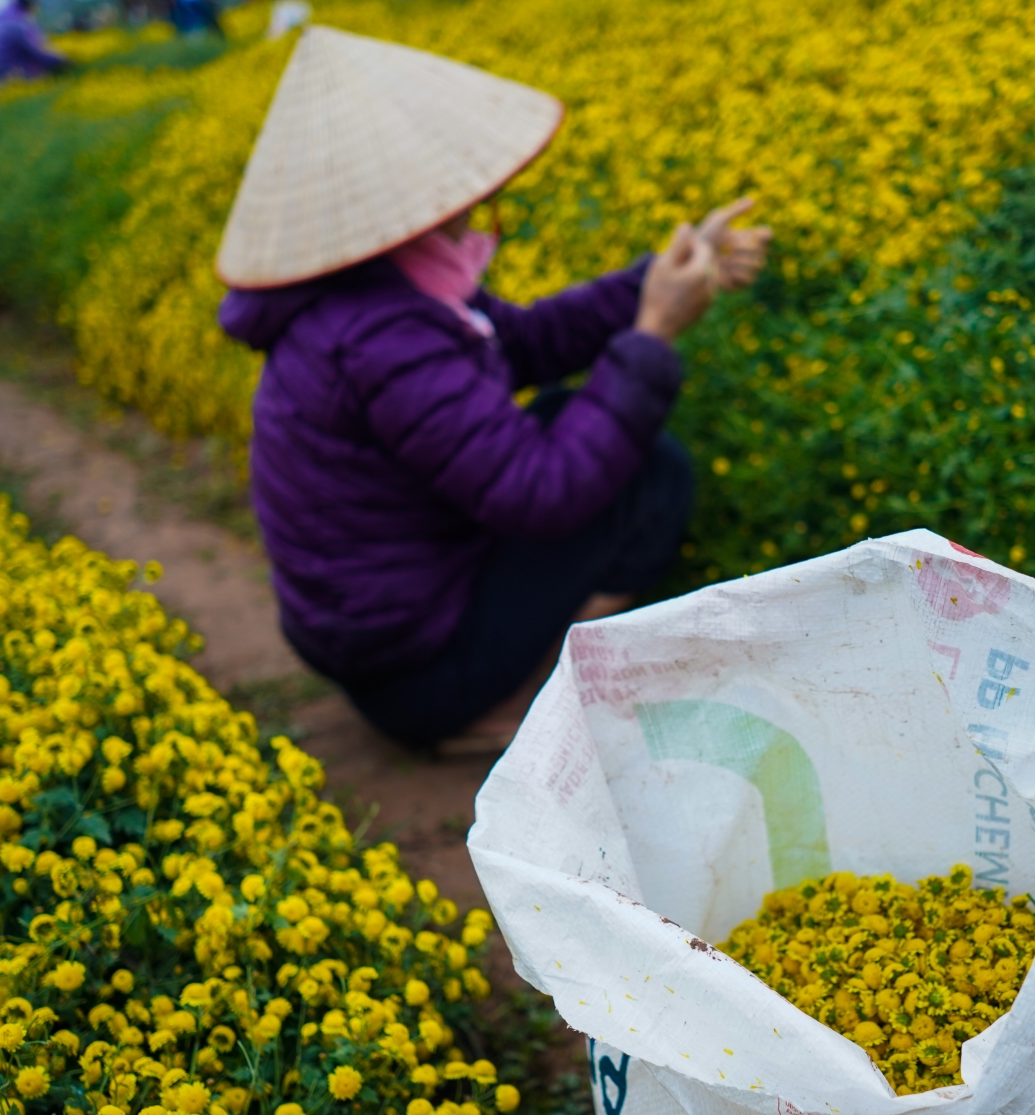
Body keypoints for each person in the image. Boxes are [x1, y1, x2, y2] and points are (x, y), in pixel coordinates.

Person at [216, 27, 770, 753]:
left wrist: (654, 280)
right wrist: (652, 334)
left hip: (385, 634)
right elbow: (543, 492)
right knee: (649, 475)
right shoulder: (382, 335)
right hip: (417, 673)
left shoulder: (370, 290)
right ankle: (531, 703)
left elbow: (525, 342)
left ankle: (507, 682)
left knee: (565, 416)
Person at [0, 0, 69, 83]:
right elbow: (38, 52)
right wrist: (64, 61)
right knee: (58, 74)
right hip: (5, 79)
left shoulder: (6, 15)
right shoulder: (19, 22)